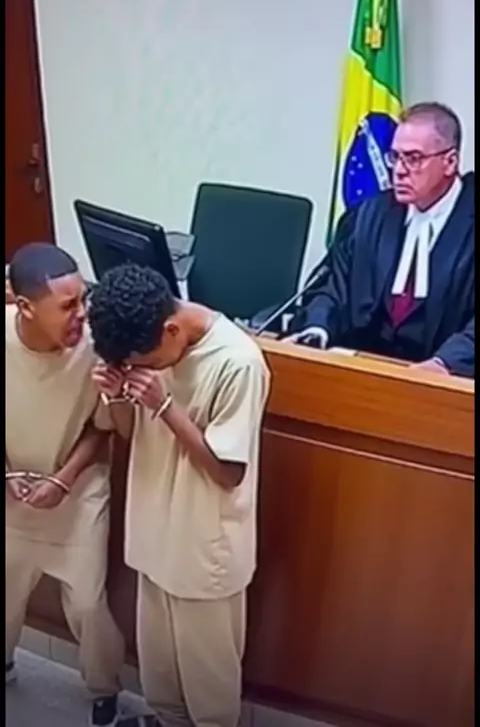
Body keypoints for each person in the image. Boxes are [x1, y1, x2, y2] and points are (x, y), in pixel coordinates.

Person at [89, 264, 271, 727]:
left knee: (209, 691)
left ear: (171, 330)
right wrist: (117, 396)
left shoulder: (238, 363)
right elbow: (129, 434)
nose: (144, 370)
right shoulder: (151, 346)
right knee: (161, 682)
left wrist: (166, 407)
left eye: (145, 362)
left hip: (203, 550)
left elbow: (228, 472)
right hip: (154, 538)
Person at [5, 243, 124, 727]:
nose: (82, 315)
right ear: (25, 307)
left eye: (83, 300)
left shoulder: (96, 348)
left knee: (88, 604)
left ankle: (104, 690)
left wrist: (62, 479)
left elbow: (101, 428)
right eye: (68, 305)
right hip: (14, 490)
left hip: (78, 491)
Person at [291, 102, 474, 378]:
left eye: (413, 158)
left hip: (444, 386)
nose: (399, 170)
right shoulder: (370, 215)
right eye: (395, 157)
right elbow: (331, 287)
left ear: (450, 162)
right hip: (362, 375)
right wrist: (317, 329)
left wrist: (445, 363)